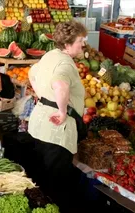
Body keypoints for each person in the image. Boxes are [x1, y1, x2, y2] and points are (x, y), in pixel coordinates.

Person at [27, 21, 87, 213]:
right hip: (56, 131)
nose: (83, 45)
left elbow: (31, 72)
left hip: (39, 124)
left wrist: (42, 96)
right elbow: (60, 85)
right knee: (57, 184)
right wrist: (61, 111)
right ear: (68, 44)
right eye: (80, 41)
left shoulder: (50, 55)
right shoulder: (65, 64)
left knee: (41, 179)